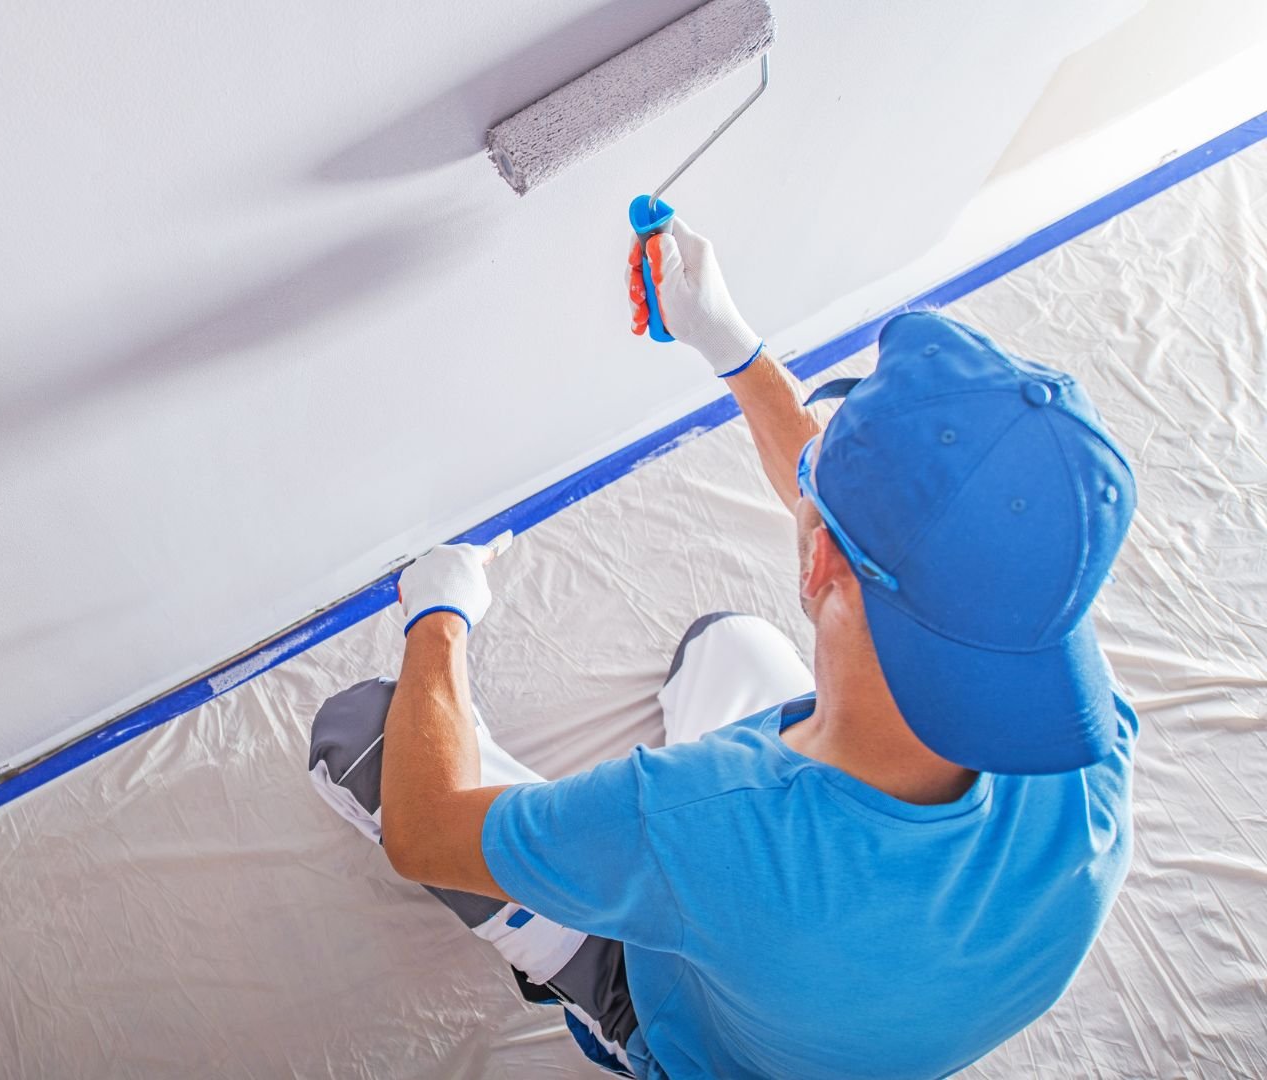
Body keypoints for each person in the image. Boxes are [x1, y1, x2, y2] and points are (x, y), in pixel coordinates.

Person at [306, 217, 1140, 1078]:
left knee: (359, 731)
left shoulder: (699, 818)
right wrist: (730, 344)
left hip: (701, 1032)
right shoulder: (1082, 731)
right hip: (859, 1011)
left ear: (816, 561)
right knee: (724, 647)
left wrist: (439, 614)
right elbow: (863, 529)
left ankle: (589, 985)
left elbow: (421, 833)